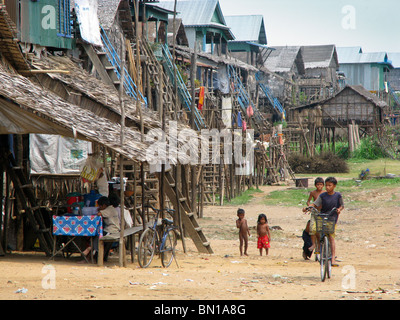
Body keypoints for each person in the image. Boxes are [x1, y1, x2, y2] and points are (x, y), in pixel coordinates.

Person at [312, 177, 344, 267]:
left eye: (330, 185)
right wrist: (308, 207)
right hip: (323, 217)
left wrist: (339, 209)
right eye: (326, 185)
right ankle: (319, 245)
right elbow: (315, 204)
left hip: (332, 218)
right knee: (315, 229)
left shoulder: (338, 195)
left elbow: (342, 205)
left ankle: (333, 258)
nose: (327, 187)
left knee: (331, 237)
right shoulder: (322, 196)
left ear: (334, 186)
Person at [302, 177, 325, 254]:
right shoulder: (313, 193)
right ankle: (314, 244)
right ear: (315, 185)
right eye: (318, 184)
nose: (319, 186)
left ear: (323, 185)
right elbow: (308, 201)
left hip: (323, 212)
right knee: (312, 228)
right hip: (315, 211)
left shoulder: (324, 193)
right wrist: (309, 207)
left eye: (321, 185)